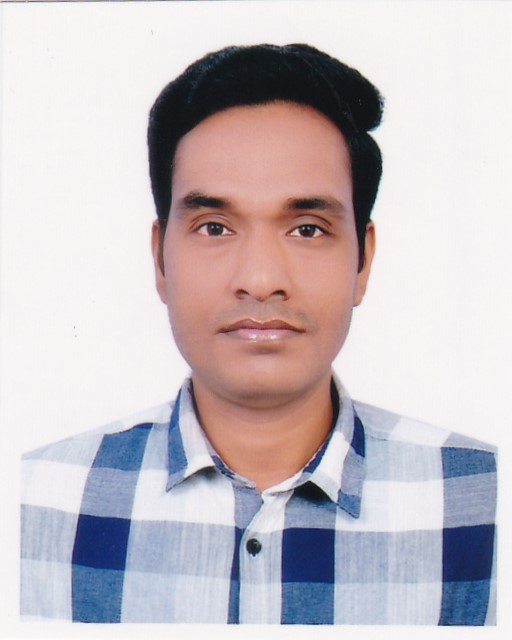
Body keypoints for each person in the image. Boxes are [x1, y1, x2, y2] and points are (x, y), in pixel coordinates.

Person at [20, 43, 497, 625]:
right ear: (160, 259)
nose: (261, 279)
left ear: (363, 261)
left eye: (307, 229)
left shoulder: (486, 505)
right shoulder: (33, 506)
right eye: (215, 227)